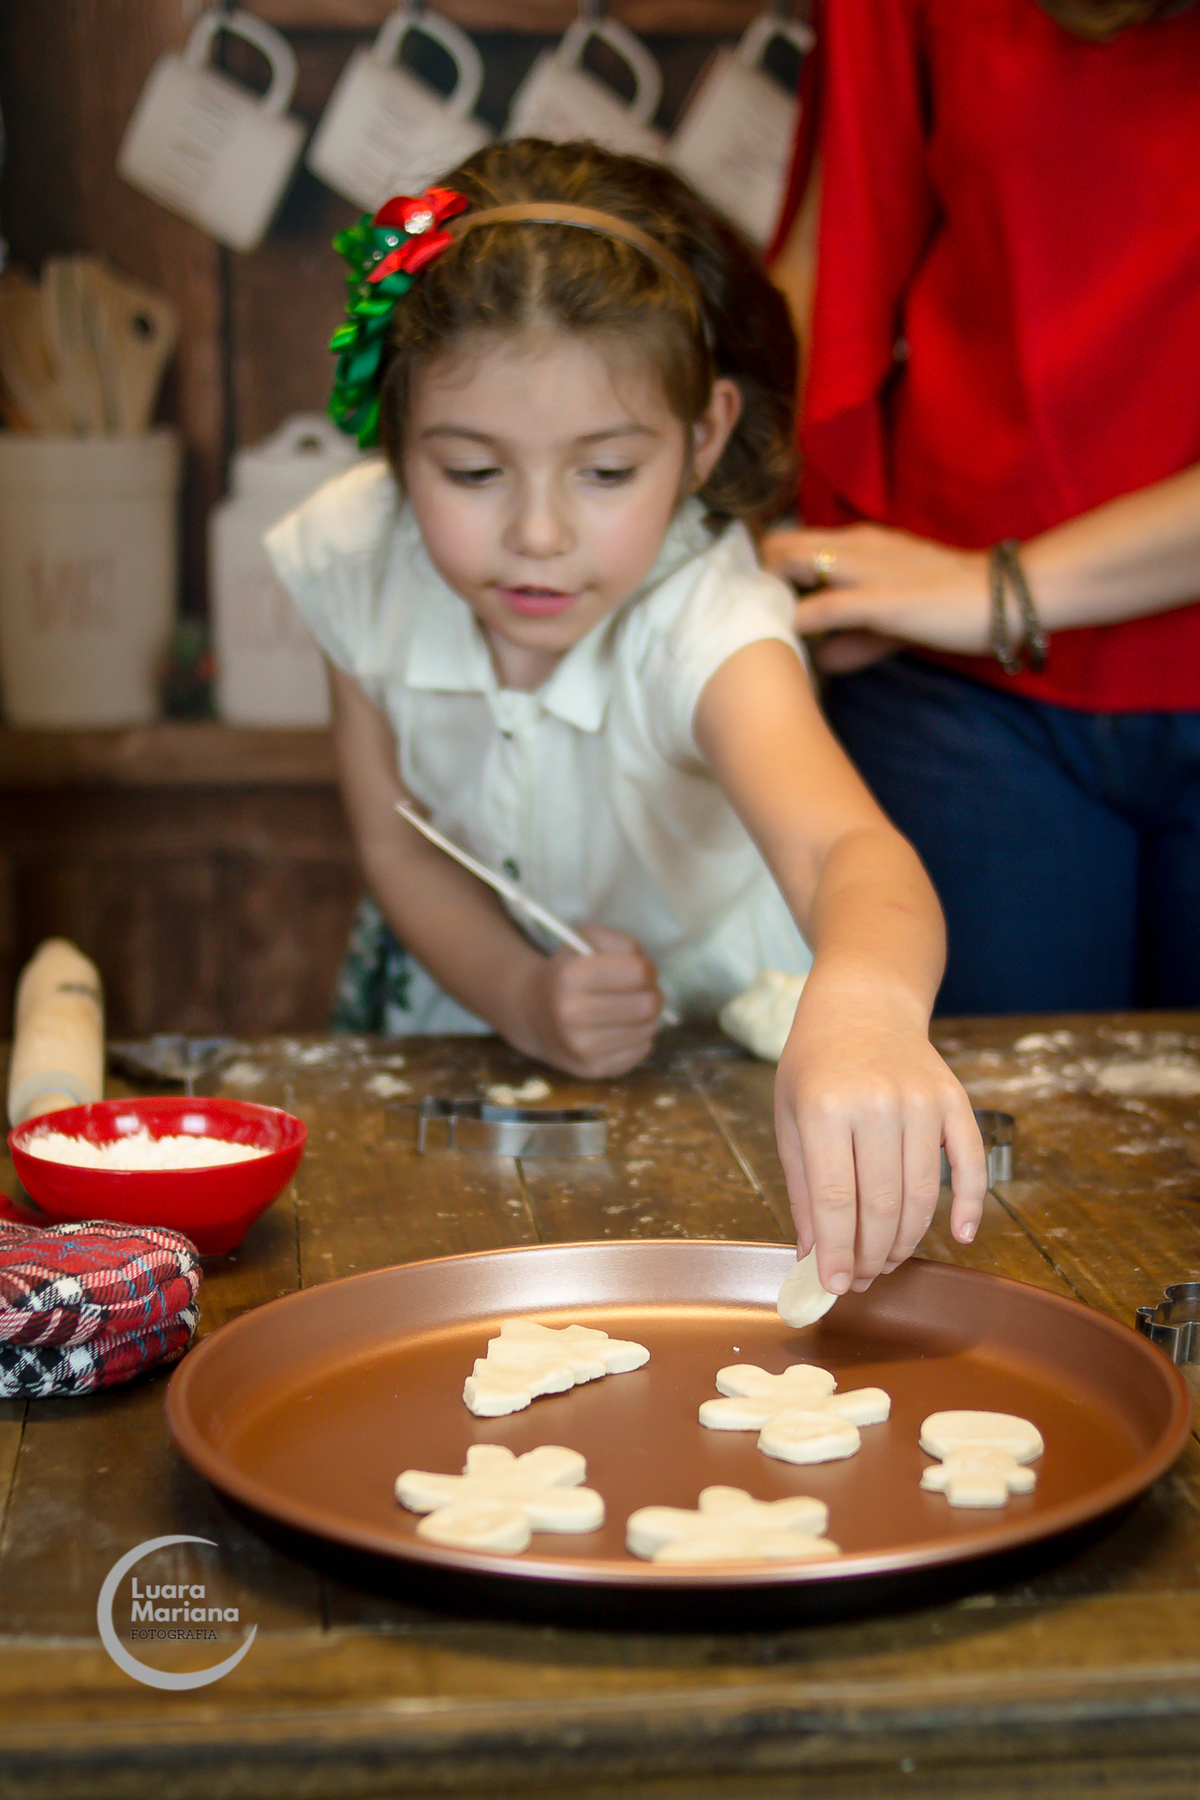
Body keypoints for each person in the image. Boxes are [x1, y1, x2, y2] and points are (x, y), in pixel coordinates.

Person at [266, 138, 985, 1294]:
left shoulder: (702, 615)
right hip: (470, 996)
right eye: (471, 473)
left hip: (721, 1042)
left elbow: (845, 848)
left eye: (605, 474)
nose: (540, 535)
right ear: (397, 442)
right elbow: (396, 840)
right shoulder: (357, 559)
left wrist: (866, 1010)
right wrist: (521, 996)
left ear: (701, 439)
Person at [764, 0, 1200, 1016]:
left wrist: (1002, 586)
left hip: (977, 599)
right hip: (958, 686)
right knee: (998, 1150)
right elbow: (828, 282)